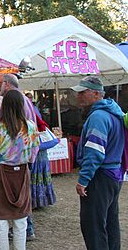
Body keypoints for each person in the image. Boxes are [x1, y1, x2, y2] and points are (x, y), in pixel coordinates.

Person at [71, 76, 125, 250]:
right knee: (110, 223)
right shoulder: (114, 112)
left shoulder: (98, 117)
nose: (78, 96)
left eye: (82, 92)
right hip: (114, 174)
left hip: (100, 176)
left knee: (93, 226)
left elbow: (95, 152)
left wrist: (83, 179)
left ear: (95, 94)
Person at [0, 90, 40, 250]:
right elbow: (34, 152)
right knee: (21, 218)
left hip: (0, 173)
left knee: (0, 219)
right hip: (22, 173)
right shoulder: (30, 127)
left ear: (4, 106)